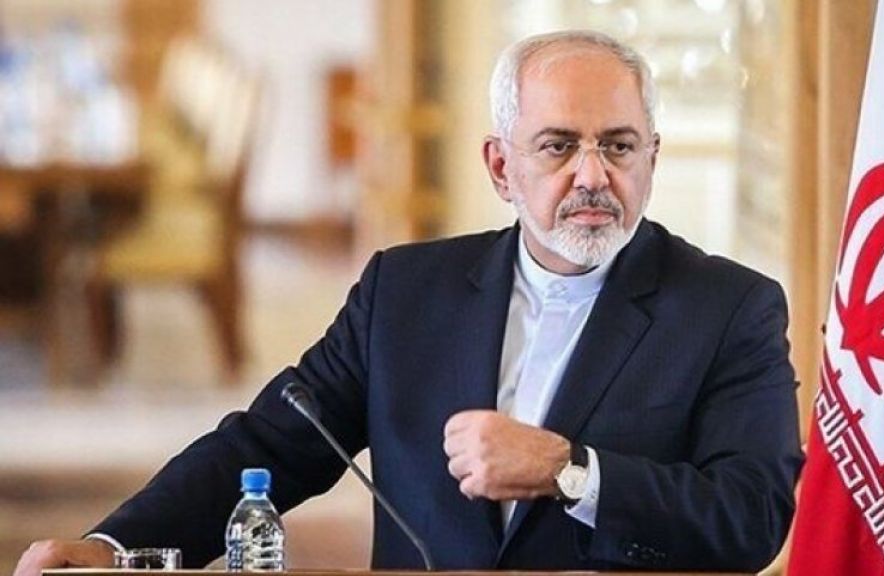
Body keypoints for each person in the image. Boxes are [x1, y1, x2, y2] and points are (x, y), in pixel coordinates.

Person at [15, 30, 803, 574]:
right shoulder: (406, 291)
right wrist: (113, 547)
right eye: (559, 146)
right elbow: (271, 445)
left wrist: (570, 472)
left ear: (652, 157)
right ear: (501, 168)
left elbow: (752, 519)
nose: (593, 175)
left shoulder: (731, 308)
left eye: (620, 146)